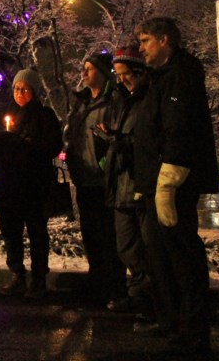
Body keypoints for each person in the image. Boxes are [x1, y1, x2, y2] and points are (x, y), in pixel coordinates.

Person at [133, 18, 219, 359]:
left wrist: (167, 181)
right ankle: (173, 321)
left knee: (181, 255)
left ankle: (194, 330)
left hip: (172, 183)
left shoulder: (181, 75)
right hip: (156, 181)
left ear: (164, 40)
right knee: (160, 254)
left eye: (145, 41)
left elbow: (180, 129)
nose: (141, 48)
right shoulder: (161, 77)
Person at [0, 68, 62, 299]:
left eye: (25, 89)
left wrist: (25, 144)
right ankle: (17, 274)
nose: (20, 93)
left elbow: (53, 145)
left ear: (34, 92)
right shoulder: (4, 115)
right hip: (8, 185)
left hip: (34, 185)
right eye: (17, 88)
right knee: (11, 232)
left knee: (37, 232)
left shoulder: (44, 116)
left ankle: (39, 279)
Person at [64, 50, 126, 306]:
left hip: (105, 179)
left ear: (102, 72)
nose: (84, 73)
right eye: (83, 68)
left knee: (108, 235)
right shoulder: (81, 102)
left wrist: (104, 161)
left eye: (89, 69)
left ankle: (114, 286)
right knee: (91, 234)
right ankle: (96, 282)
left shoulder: (114, 100)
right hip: (84, 178)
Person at [99, 46, 152, 314]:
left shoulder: (148, 99)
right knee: (126, 246)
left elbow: (147, 140)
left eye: (126, 74)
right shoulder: (121, 100)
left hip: (139, 185)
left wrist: (118, 141)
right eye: (118, 75)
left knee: (145, 247)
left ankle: (147, 300)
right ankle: (139, 295)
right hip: (121, 185)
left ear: (140, 72)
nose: (122, 80)